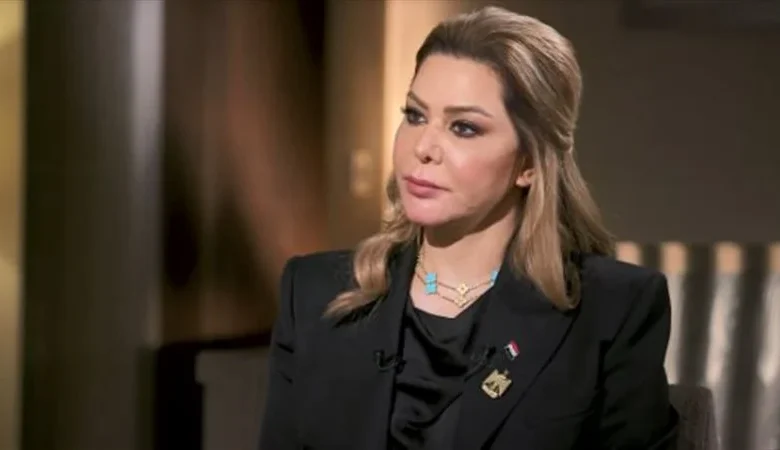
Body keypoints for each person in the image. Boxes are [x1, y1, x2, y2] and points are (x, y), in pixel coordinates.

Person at [259, 5, 678, 450]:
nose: (423, 147)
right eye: (415, 115)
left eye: (463, 128)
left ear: (529, 163)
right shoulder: (314, 293)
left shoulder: (612, 310)